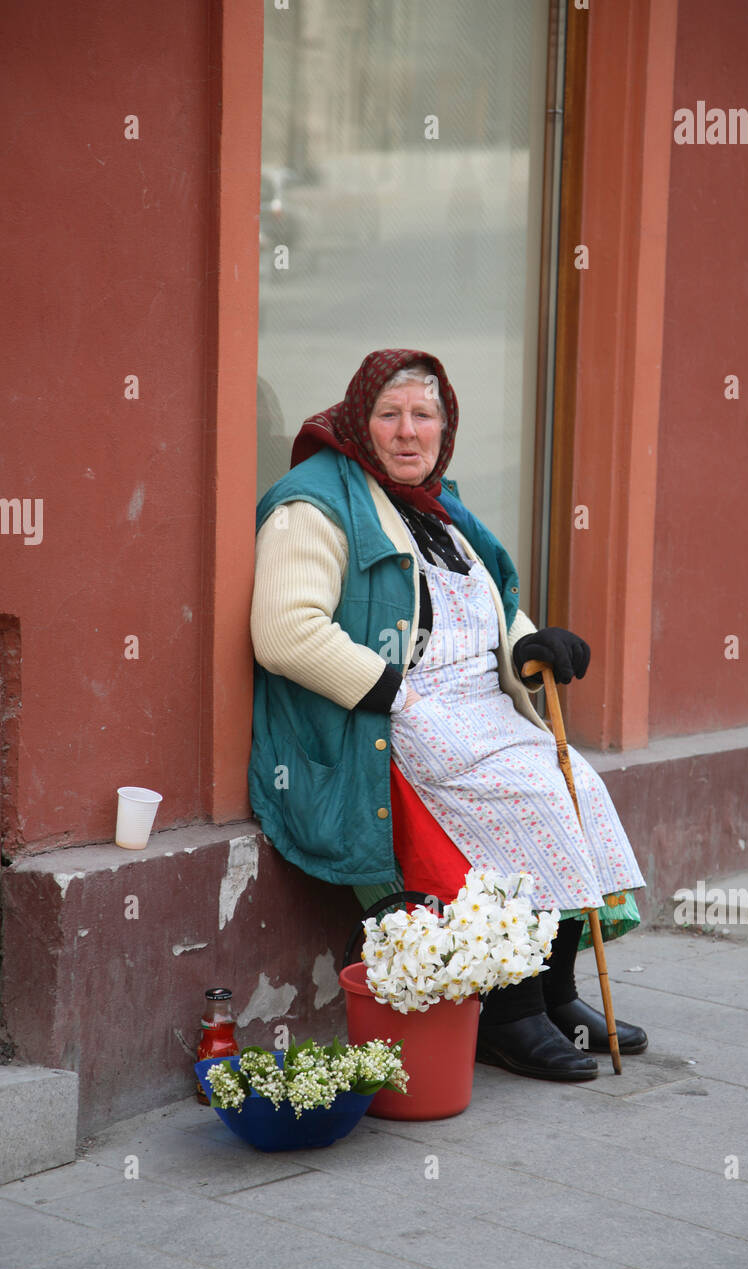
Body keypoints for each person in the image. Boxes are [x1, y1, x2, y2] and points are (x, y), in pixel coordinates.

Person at [249, 348, 648, 1082]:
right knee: (525, 798)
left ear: (445, 426)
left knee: (574, 786)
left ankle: (555, 994)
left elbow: (490, 604)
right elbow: (284, 630)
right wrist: (392, 691)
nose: (408, 432)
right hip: (386, 711)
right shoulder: (313, 504)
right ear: (357, 420)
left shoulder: (439, 507)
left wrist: (534, 643)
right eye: (389, 415)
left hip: (478, 705)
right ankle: (507, 1013)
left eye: (424, 416)